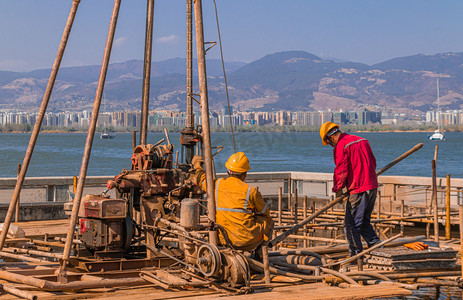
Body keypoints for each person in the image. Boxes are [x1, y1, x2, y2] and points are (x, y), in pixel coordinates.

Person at [320, 121, 381, 257]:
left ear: (331, 137)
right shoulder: (362, 140)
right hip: (372, 187)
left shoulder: (341, 145)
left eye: (330, 142)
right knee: (364, 221)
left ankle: (356, 256)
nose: (332, 145)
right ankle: (376, 246)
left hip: (358, 190)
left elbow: (341, 170)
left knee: (351, 225)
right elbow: (373, 162)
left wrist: (338, 189)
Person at [192, 152, 273, 252]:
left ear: (228, 171)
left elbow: (202, 181)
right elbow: (265, 212)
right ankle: (260, 254)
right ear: (245, 174)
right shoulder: (251, 191)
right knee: (268, 221)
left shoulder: (216, 185)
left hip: (222, 239)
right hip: (245, 242)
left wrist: (197, 166)